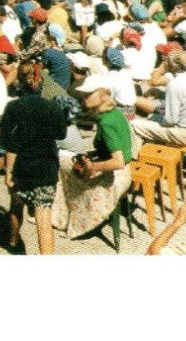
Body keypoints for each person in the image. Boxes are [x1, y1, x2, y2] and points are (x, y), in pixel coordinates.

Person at [0, 60, 68, 255]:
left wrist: (8, 172)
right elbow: (61, 135)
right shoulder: (53, 107)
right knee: (43, 217)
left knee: (16, 204)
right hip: (46, 167)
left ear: (19, 81)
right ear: (39, 81)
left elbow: (8, 144)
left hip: (22, 166)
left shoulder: (13, 107)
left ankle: (13, 240)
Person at [54, 75, 133, 241]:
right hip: (126, 169)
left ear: (103, 95)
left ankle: (66, 219)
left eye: (88, 94)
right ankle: (63, 216)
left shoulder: (106, 122)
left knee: (61, 166)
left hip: (116, 175)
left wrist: (93, 167)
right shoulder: (114, 113)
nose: (84, 97)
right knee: (67, 164)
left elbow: (117, 162)